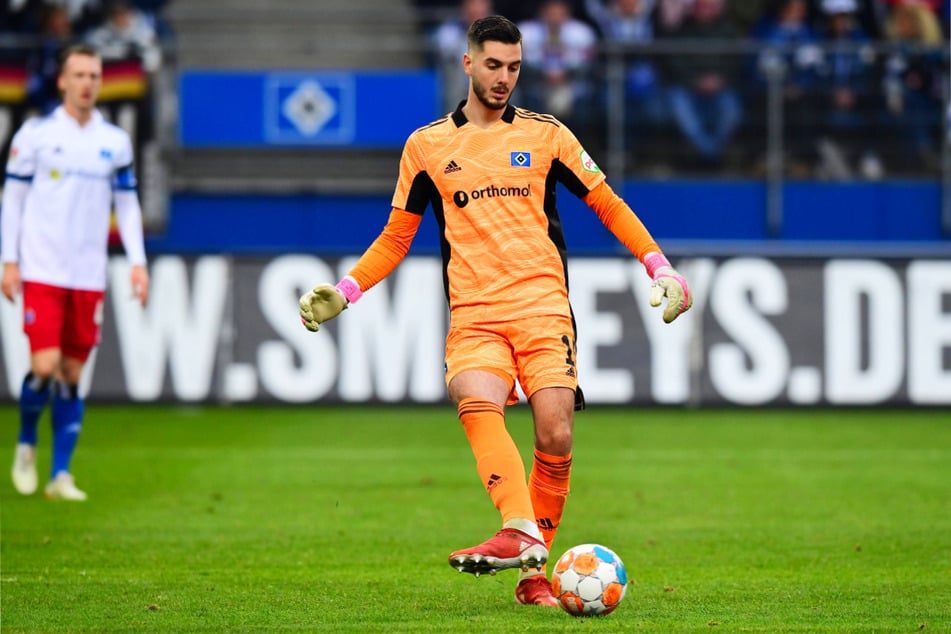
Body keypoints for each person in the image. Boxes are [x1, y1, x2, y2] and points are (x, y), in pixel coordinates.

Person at [298, 15, 691, 606]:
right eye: (493, 65)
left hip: (542, 306)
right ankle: (518, 529)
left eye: (513, 67)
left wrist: (659, 265)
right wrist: (347, 290)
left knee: (555, 433)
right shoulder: (427, 146)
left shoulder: (547, 135)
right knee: (473, 394)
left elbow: (607, 203)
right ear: (468, 63)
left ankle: (534, 578)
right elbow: (396, 237)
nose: (504, 78)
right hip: (476, 311)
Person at [2, 44, 149, 501]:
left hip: (89, 274)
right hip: (43, 268)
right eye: (80, 75)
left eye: (95, 76)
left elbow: (126, 205)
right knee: (43, 366)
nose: (88, 83)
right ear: (63, 81)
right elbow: (13, 200)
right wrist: (9, 260)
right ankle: (27, 441)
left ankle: (60, 475)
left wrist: (138, 261)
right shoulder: (35, 135)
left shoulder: (114, 142)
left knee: (71, 373)